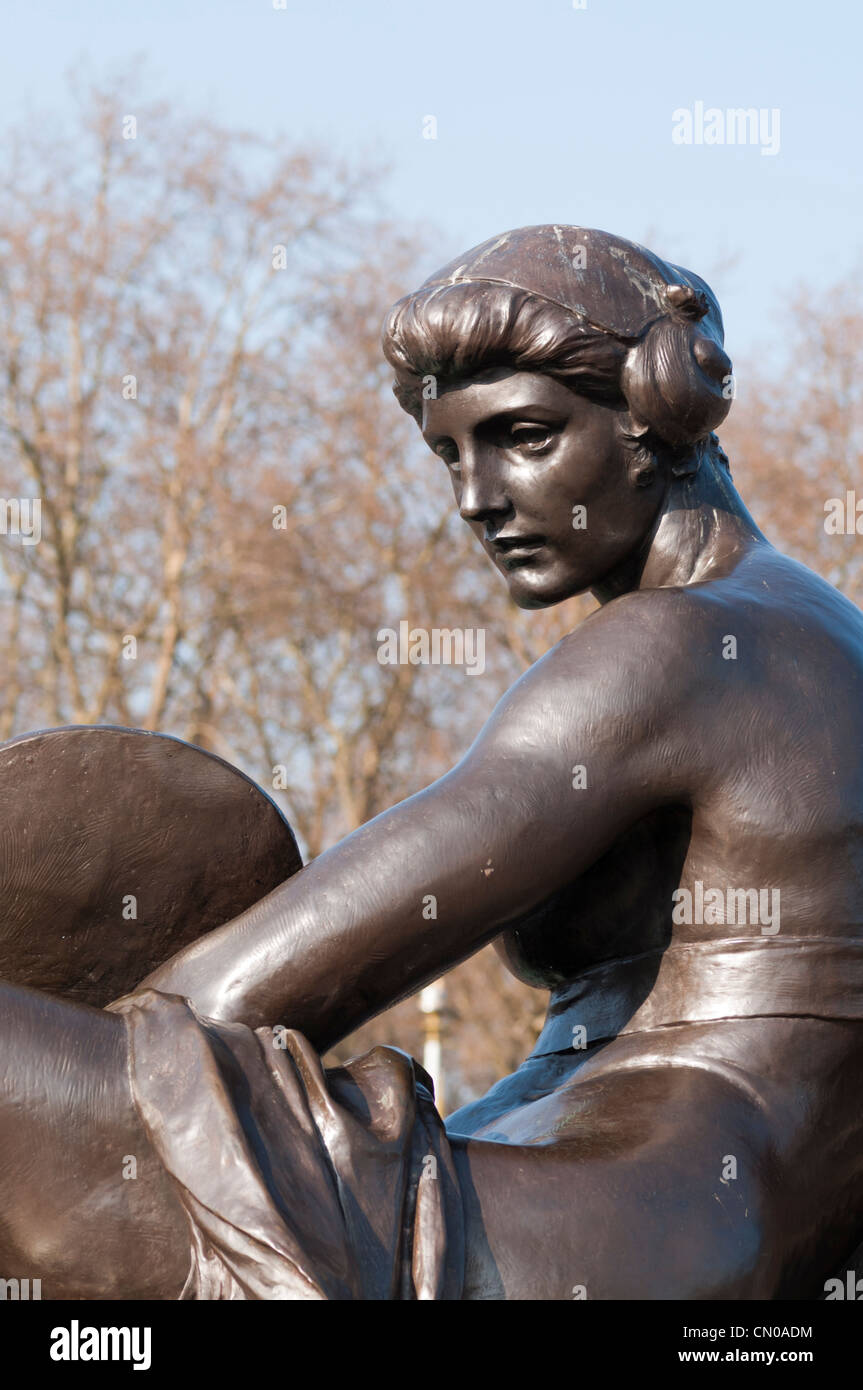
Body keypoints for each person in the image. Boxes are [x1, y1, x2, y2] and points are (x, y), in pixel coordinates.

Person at [4, 225, 863, 1300]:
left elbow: (238, 992)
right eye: (449, 453)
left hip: (626, 1231)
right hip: (674, 1217)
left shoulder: (671, 650)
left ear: (655, 417)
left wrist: (65, 1051)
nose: (476, 497)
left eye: (522, 436)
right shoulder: (811, 636)